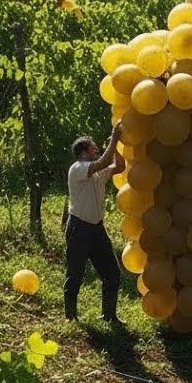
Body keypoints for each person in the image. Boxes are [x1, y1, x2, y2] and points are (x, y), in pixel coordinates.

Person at [64, 124, 125, 322]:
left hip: (97, 229)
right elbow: (104, 161)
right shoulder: (78, 169)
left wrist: (115, 149)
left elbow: (119, 167)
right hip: (79, 228)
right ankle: (70, 316)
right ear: (83, 153)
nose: (97, 150)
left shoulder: (98, 172)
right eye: (93, 149)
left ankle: (109, 315)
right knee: (76, 273)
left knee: (112, 272)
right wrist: (114, 137)